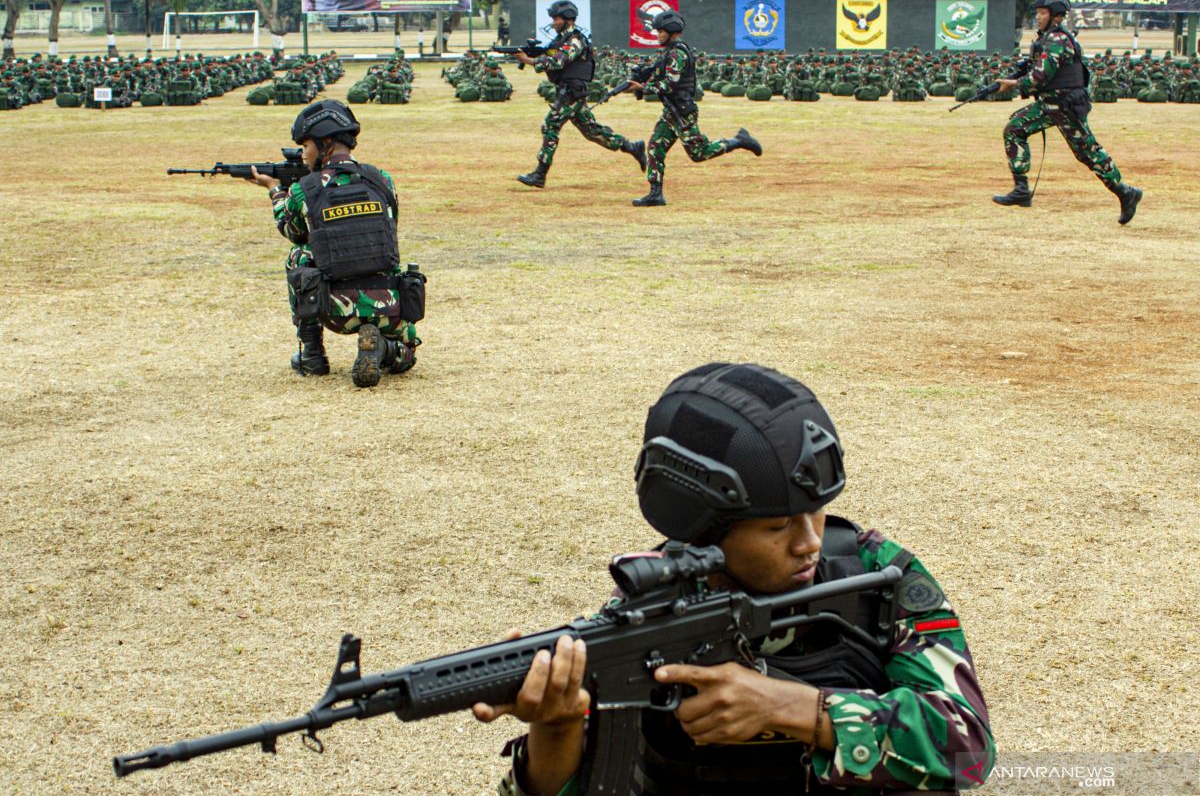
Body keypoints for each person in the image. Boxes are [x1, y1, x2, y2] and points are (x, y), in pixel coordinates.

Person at [474, 363, 995, 795]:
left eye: (817, 512)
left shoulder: (876, 576)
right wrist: (556, 725)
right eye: (777, 525)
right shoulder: (656, 605)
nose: (809, 541)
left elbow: (968, 749)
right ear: (706, 533)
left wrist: (791, 707)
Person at [247, 100, 423, 388]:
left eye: (306, 147)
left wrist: (275, 191)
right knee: (406, 356)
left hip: (335, 310)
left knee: (299, 255)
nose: (304, 155)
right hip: (389, 308)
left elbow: (291, 230)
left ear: (325, 142)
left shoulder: (304, 189)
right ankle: (384, 349)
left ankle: (313, 355)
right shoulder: (382, 180)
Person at [992, 0, 1141, 225]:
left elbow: (1041, 76)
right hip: (1049, 104)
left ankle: (1125, 193)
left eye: (1042, 13)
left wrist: (1013, 85)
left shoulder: (1058, 39)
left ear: (1055, 16)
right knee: (1014, 129)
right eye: (1037, 13)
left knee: (1088, 153)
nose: (1038, 18)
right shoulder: (1045, 39)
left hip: (1065, 105)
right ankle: (1021, 189)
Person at [627, 11, 763, 207]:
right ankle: (655, 193)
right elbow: (658, 76)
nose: (657, 34)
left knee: (699, 153)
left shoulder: (677, 53)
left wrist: (643, 88)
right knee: (655, 148)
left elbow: (668, 85)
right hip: (671, 111)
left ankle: (739, 140)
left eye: (661, 31)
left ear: (671, 31)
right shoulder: (670, 52)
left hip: (681, 112)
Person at [513, 0, 646, 188]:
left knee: (551, 125)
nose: (553, 22)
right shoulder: (560, 40)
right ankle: (632, 147)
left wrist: (527, 60)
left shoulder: (575, 40)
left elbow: (558, 62)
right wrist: (533, 55)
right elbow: (550, 56)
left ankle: (540, 174)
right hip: (569, 90)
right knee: (592, 132)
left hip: (572, 91)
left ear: (568, 19)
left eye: (557, 18)